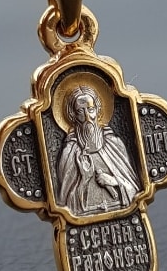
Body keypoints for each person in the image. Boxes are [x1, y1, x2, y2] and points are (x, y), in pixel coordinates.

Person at [57, 85, 139, 215]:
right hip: (85, 220)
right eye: (80, 111)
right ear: (73, 115)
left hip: (123, 215)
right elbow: (65, 205)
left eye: (91, 109)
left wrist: (115, 181)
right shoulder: (70, 152)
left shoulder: (114, 144)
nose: (87, 117)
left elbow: (135, 191)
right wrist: (85, 178)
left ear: (98, 110)